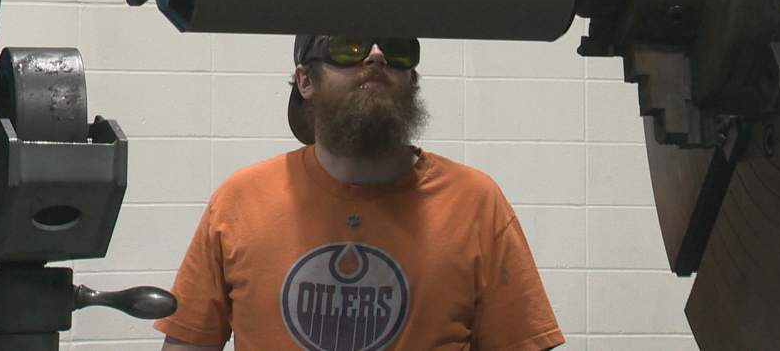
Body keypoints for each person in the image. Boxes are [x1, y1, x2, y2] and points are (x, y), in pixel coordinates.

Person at [157, 34, 564, 350]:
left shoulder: (476, 203)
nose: (375, 55)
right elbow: (188, 342)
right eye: (348, 45)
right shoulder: (239, 201)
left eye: (397, 48)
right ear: (305, 80)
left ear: (413, 81)